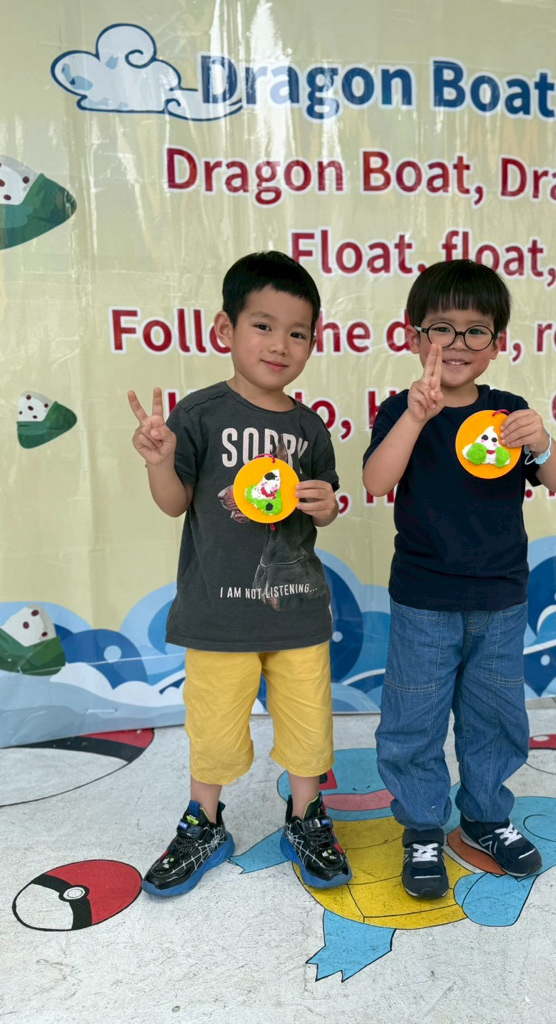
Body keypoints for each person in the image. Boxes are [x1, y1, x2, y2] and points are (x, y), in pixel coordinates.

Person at [128, 251, 351, 896]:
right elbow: (174, 503)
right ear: (225, 329)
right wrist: (159, 461)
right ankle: (204, 822)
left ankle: (306, 815)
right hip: (217, 613)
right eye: (263, 325)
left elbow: (326, 504)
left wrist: (328, 506)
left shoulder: (309, 427)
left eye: (298, 332)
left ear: (312, 342)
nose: (280, 344)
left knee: (308, 727)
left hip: (297, 609)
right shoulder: (198, 415)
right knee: (214, 731)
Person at [362, 259, 556, 899]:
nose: (457, 344)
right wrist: (415, 417)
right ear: (413, 337)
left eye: (475, 331)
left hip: (501, 601)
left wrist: (542, 442)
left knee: (495, 717)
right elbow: (375, 481)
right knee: (414, 719)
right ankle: (423, 826)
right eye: (442, 328)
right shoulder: (401, 409)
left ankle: (485, 817)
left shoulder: (509, 413)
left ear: (497, 343)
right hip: (424, 600)